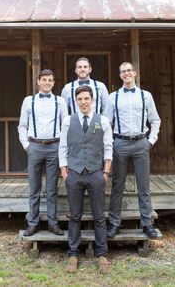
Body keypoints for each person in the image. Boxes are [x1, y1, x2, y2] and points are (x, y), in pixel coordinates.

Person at [59, 85, 113, 273]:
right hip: (74, 174)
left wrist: (105, 172)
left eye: (86, 99)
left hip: (96, 174)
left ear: (92, 100)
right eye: (80, 99)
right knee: (75, 216)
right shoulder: (68, 121)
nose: (83, 102)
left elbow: (108, 147)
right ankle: (73, 254)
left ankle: (102, 254)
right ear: (76, 101)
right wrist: (65, 172)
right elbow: (63, 148)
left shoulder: (103, 121)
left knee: (99, 216)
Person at [107, 62, 161, 239]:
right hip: (120, 144)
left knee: (143, 185)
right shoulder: (112, 97)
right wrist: (110, 144)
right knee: (117, 186)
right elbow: (107, 123)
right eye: (123, 71)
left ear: (135, 73)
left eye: (129, 70)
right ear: (120, 75)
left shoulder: (146, 96)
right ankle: (114, 224)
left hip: (140, 143)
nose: (126, 74)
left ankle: (147, 224)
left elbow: (155, 120)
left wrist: (150, 141)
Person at [18, 69, 68, 236]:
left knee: (52, 188)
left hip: (54, 147)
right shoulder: (28, 101)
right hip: (35, 147)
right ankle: (33, 223)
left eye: (50, 80)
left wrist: (62, 147)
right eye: (44, 79)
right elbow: (22, 126)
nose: (47, 83)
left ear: (54, 83)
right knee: (34, 187)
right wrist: (27, 146)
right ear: (38, 81)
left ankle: (53, 223)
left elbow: (65, 126)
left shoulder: (60, 101)